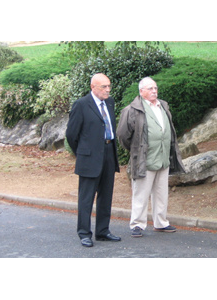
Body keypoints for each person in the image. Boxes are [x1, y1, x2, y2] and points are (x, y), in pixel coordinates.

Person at [117, 77, 185, 237]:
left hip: (162, 158)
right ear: (141, 92)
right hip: (144, 160)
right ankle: (137, 225)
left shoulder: (163, 106)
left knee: (161, 193)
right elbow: (122, 135)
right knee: (140, 193)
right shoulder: (132, 110)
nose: (154, 91)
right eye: (150, 89)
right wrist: (136, 150)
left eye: (155, 88)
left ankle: (161, 222)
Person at [66, 73, 121, 247]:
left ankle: (103, 231)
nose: (108, 90)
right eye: (104, 87)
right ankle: (84, 233)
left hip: (108, 153)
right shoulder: (82, 105)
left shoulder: (109, 103)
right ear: (93, 87)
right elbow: (71, 134)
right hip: (89, 157)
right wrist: (83, 153)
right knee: (86, 197)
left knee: (106, 195)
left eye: (109, 86)